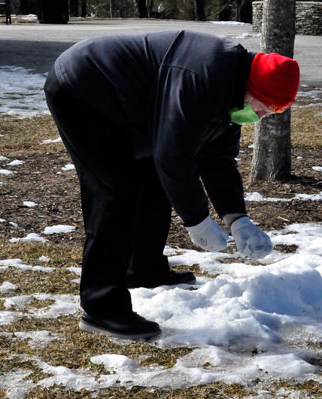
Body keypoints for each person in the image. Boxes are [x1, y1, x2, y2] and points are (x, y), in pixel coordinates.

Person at [44, 30, 300, 340]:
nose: (261, 115)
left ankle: (144, 269)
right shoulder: (204, 77)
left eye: (274, 111)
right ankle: (102, 307)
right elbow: (174, 155)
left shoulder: (232, 90)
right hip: (83, 87)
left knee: (152, 180)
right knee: (114, 193)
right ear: (254, 86)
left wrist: (237, 218)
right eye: (265, 106)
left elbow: (217, 159)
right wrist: (198, 221)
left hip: (125, 99)